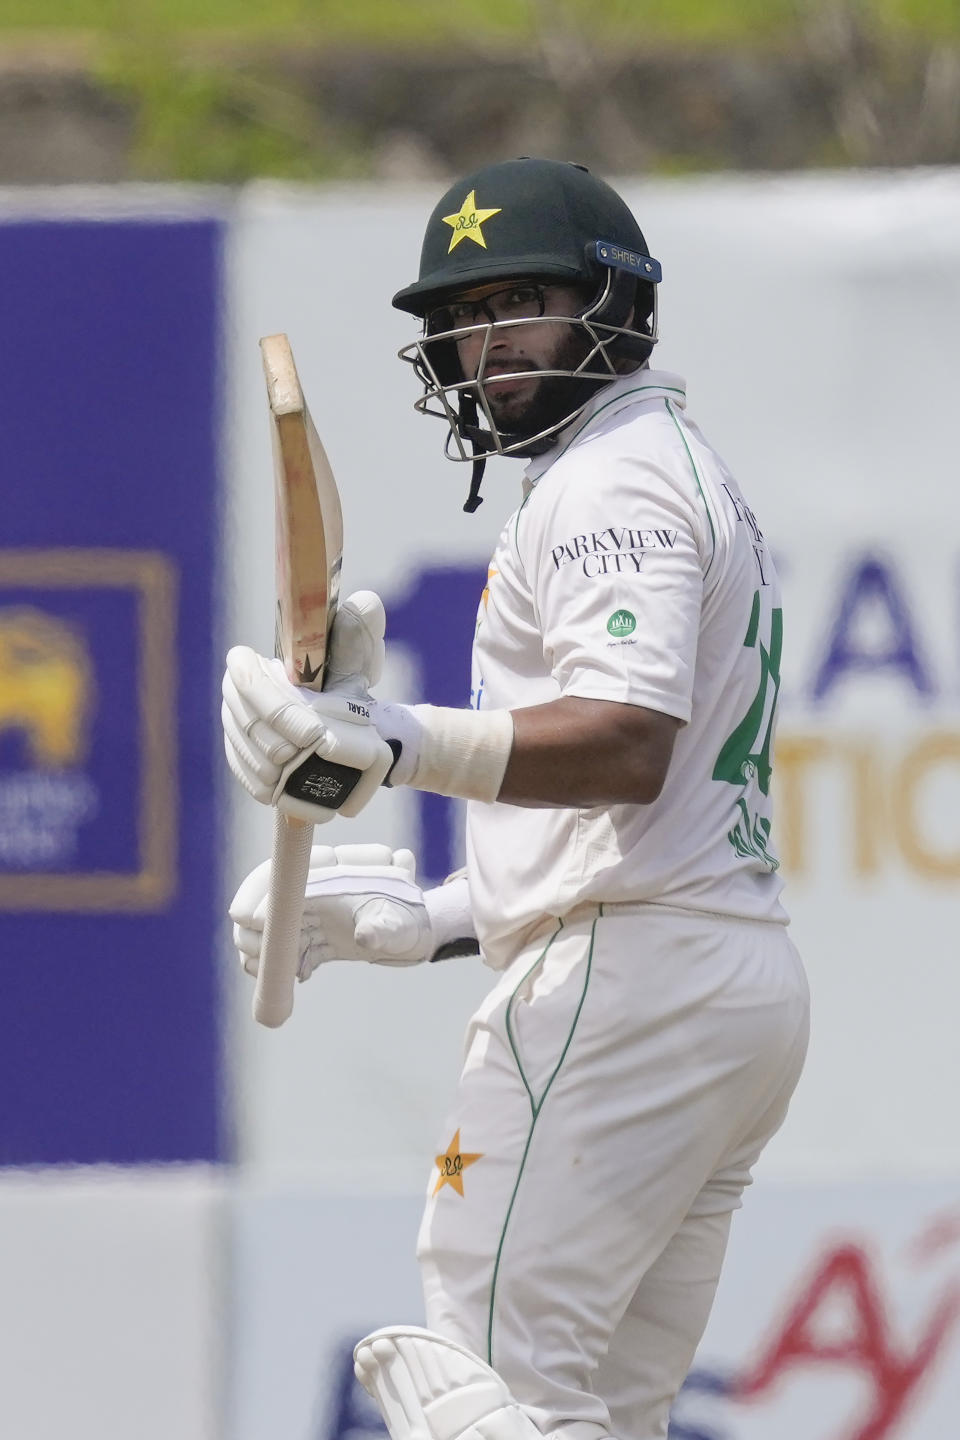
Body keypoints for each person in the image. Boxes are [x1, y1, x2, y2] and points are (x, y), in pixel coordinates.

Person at [222, 157, 810, 1440]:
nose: (484, 347)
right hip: (714, 980)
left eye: (520, 302)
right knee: (597, 1410)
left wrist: (391, 739)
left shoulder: (617, 477)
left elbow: (627, 745)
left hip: (627, 989)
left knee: (484, 1392)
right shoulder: (655, 468)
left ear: (617, 301)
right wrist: (429, 919)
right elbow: (638, 824)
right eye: (461, 318)